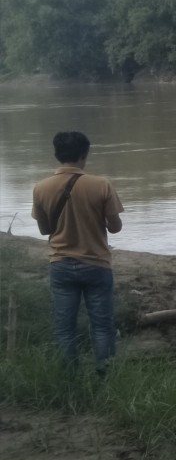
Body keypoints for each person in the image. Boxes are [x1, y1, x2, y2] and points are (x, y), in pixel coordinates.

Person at [31, 131, 124, 376]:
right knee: (102, 326)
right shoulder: (101, 184)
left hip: (60, 264)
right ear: (84, 155)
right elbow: (115, 228)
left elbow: (44, 230)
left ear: (57, 155)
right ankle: (105, 376)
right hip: (96, 264)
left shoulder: (40, 188)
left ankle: (70, 379)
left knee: (65, 328)